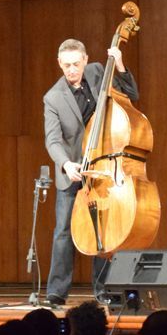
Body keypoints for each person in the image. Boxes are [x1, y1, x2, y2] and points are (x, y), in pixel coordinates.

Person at [43, 39, 138, 306]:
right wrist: (65, 164)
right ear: (59, 64)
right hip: (74, 169)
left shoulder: (100, 72)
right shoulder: (52, 97)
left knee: (105, 229)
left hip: (105, 165)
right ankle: (56, 292)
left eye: (76, 64)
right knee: (63, 232)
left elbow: (132, 94)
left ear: (85, 60)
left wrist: (119, 65)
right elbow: (52, 140)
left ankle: (104, 291)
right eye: (66, 65)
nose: (71, 70)